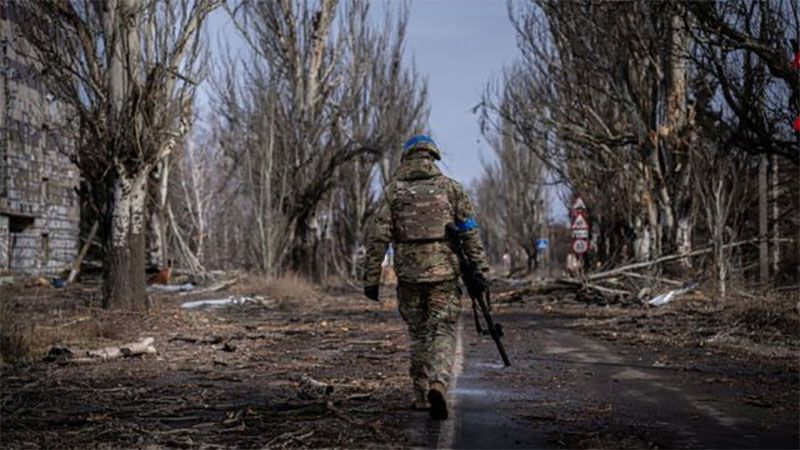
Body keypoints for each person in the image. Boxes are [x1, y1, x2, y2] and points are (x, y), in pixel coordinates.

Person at [362, 134, 489, 420]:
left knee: (418, 332)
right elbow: (470, 232)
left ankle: (421, 395)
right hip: (444, 273)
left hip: (408, 276)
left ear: (407, 158)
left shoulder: (393, 192)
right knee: (442, 330)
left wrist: (371, 278)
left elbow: (378, 237)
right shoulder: (452, 190)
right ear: (433, 157)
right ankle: (439, 383)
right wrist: (481, 270)